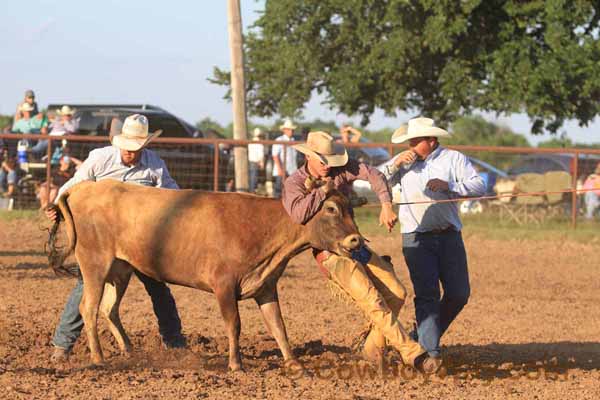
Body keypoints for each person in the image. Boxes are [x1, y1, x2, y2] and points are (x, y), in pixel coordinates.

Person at [282, 131, 441, 373]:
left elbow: (374, 174)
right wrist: (322, 192)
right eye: (322, 160)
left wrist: (386, 205)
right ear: (309, 157)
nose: (327, 166)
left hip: (357, 246)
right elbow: (297, 214)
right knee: (373, 301)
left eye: (330, 160)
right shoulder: (293, 183)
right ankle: (414, 354)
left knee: (397, 292)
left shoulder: (340, 170)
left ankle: (371, 348)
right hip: (331, 254)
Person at [45, 114, 186, 362]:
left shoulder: (154, 164)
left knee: (158, 287)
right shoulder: (100, 159)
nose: (131, 153)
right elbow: (75, 184)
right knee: (86, 286)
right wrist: (57, 205)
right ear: (119, 143)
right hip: (103, 235)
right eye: (127, 147)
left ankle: (174, 342)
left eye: (136, 148)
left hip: (141, 238)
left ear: (144, 145)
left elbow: (171, 195)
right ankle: (62, 345)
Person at [381, 117, 485, 363]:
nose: (411, 146)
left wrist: (450, 186)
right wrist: (395, 165)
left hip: (449, 235)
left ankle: (421, 337)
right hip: (416, 237)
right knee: (426, 294)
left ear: (431, 140)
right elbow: (375, 182)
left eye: (416, 141)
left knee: (459, 293)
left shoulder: (454, 159)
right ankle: (430, 354)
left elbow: (479, 185)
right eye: (410, 141)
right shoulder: (402, 163)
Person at [272, 119, 298, 197]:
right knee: (278, 190)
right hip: (282, 170)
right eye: (289, 129)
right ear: (284, 130)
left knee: (289, 191)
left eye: (292, 129)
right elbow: (275, 155)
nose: (291, 131)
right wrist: (280, 169)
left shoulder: (293, 140)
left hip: (291, 171)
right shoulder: (279, 140)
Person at [248, 127, 265, 193]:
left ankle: (251, 190)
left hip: (251, 161)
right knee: (254, 177)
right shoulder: (260, 143)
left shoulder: (251, 142)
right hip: (256, 162)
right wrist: (261, 163)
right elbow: (261, 154)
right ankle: (253, 190)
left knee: (252, 176)